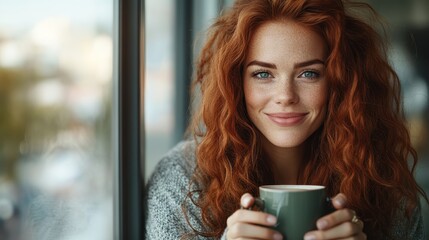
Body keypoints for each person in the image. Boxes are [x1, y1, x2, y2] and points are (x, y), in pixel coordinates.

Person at [145, 0, 428, 239]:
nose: (285, 96)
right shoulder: (182, 182)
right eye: (263, 74)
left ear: (341, 83)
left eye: (309, 74)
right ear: (235, 83)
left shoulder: (385, 184)